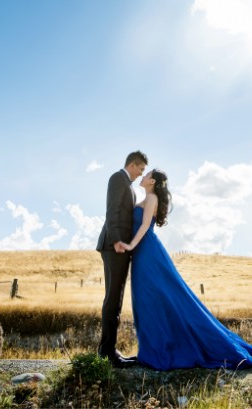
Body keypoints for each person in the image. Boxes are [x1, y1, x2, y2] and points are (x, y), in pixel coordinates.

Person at [122, 169, 252, 370]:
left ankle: (159, 351)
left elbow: (144, 225)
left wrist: (130, 246)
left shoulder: (151, 198)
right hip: (143, 253)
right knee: (148, 300)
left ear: (153, 181)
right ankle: (153, 349)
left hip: (147, 252)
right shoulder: (148, 197)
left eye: (146, 175)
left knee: (153, 298)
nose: (143, 176)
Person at [95, 150, 148, 368]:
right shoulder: (118, 178)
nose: (141, 173)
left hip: (121, 248)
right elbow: (112, 212)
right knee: (112, 299)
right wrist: (117, 240)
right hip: (113, 246)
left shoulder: (129, 185)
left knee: (116, 300)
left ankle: (108, 351)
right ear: (133, 165)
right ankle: (107, 354)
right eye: (141, 169)